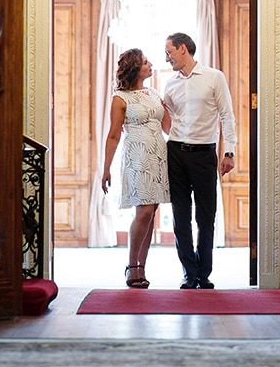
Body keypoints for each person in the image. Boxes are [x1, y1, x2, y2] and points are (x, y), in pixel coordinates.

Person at [161, 32, 237, 289]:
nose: (167, 57)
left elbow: (227, 116)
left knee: (206, 217)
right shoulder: (169, 85)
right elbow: (168, 119)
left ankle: (203, 274)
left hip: (205, 154)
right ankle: (188, 273)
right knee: (180, 216)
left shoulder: (214, 77)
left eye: (169, 52)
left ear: (183, 49)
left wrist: (229, 153)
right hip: (176, 153)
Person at [101, 48, 171, 289]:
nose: (150, 65)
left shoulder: (153, 93)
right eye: (144, 63)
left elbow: (168, 127)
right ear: (134, 69)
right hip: (137, 155)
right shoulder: (120, 98)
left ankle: (142, 266)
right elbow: (113, 135)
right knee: (144, 210)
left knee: (152, 212)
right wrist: (106, 168)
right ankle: (132, 266)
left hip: (159, 155)